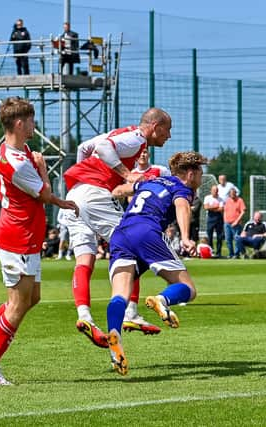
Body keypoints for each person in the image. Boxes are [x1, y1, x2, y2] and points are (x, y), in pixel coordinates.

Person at [0, 97, 78, 385]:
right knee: (17, 304)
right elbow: (44, 193)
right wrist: (42, 168)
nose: (34, 126)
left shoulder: (16, 148)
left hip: (26, 235)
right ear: (19, 123)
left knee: (32, 298)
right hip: (17, 236)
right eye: (31, 120)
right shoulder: (17, 161)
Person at [58, 108, 172, 346]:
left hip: (75, 195)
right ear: (155, 127)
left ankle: (85, 316)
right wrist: (126, 174)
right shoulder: (137, 137)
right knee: (133, 246)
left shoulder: (120, 134)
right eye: (167, 130)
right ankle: (130, 312)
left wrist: (86, 179)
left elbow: (84, 149)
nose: (168, 136)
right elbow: (102, 149)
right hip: (94, 195)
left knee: (84, 261)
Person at [105, 151, 207, 375]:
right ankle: (162, 299)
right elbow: (182, 206)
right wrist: (187, 237)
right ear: (190, 174)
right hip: (147, 231)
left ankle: (115, 345)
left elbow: (118, 191)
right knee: (188, 289)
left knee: (119, 294)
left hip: (121, 233)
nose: (201, 177)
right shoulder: (182, 188)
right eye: (200, 172)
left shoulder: (151, 181)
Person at [222, 188, 246, 258]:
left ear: (235, 193)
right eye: (231, 193)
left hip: (236, 224)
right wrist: (225, 220)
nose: (232, 195)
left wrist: (237, 221)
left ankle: (236, 254)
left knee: (237, 239)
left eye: (233, 193)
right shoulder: (227, 201)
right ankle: (231, 254)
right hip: (227, 223)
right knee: (228, 240)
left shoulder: (240, 200)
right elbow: (225, 211)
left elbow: (243, 211)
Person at [203, 185, 224, 257]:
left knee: (219, 236)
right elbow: (206, 207)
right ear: (211, 191)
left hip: (219, 218)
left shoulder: (221, 199)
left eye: (216, 190)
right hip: (210, 218)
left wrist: (211, 207)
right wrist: (216, 206)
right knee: (210, 236)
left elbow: (221, 209)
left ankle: (218, 253)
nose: (215, 192)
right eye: (214, 190)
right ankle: (211, 252)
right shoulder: (207, 198)